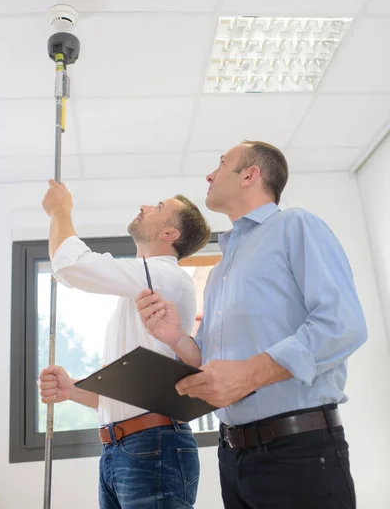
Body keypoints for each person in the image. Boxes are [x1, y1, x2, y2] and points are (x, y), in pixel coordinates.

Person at [136, 140, 368, 509]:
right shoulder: (220, 270)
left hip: (299, 453)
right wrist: (177, 337)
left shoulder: (296, 226)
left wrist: (251, 373)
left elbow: (342, 324)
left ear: (250, 175)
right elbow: (212, 360)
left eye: (222, 164)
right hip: (234, 458)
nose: (210, 175)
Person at [38, 180, 211, 509]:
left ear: (170, 234)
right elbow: (130, 394)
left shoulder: (164, 276)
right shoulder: (137, 294)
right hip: (123, 448)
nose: (145, 207)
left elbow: (70, 265)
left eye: (158, 208)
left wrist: (61, 211)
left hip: (152, 445)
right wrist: (71, 389)